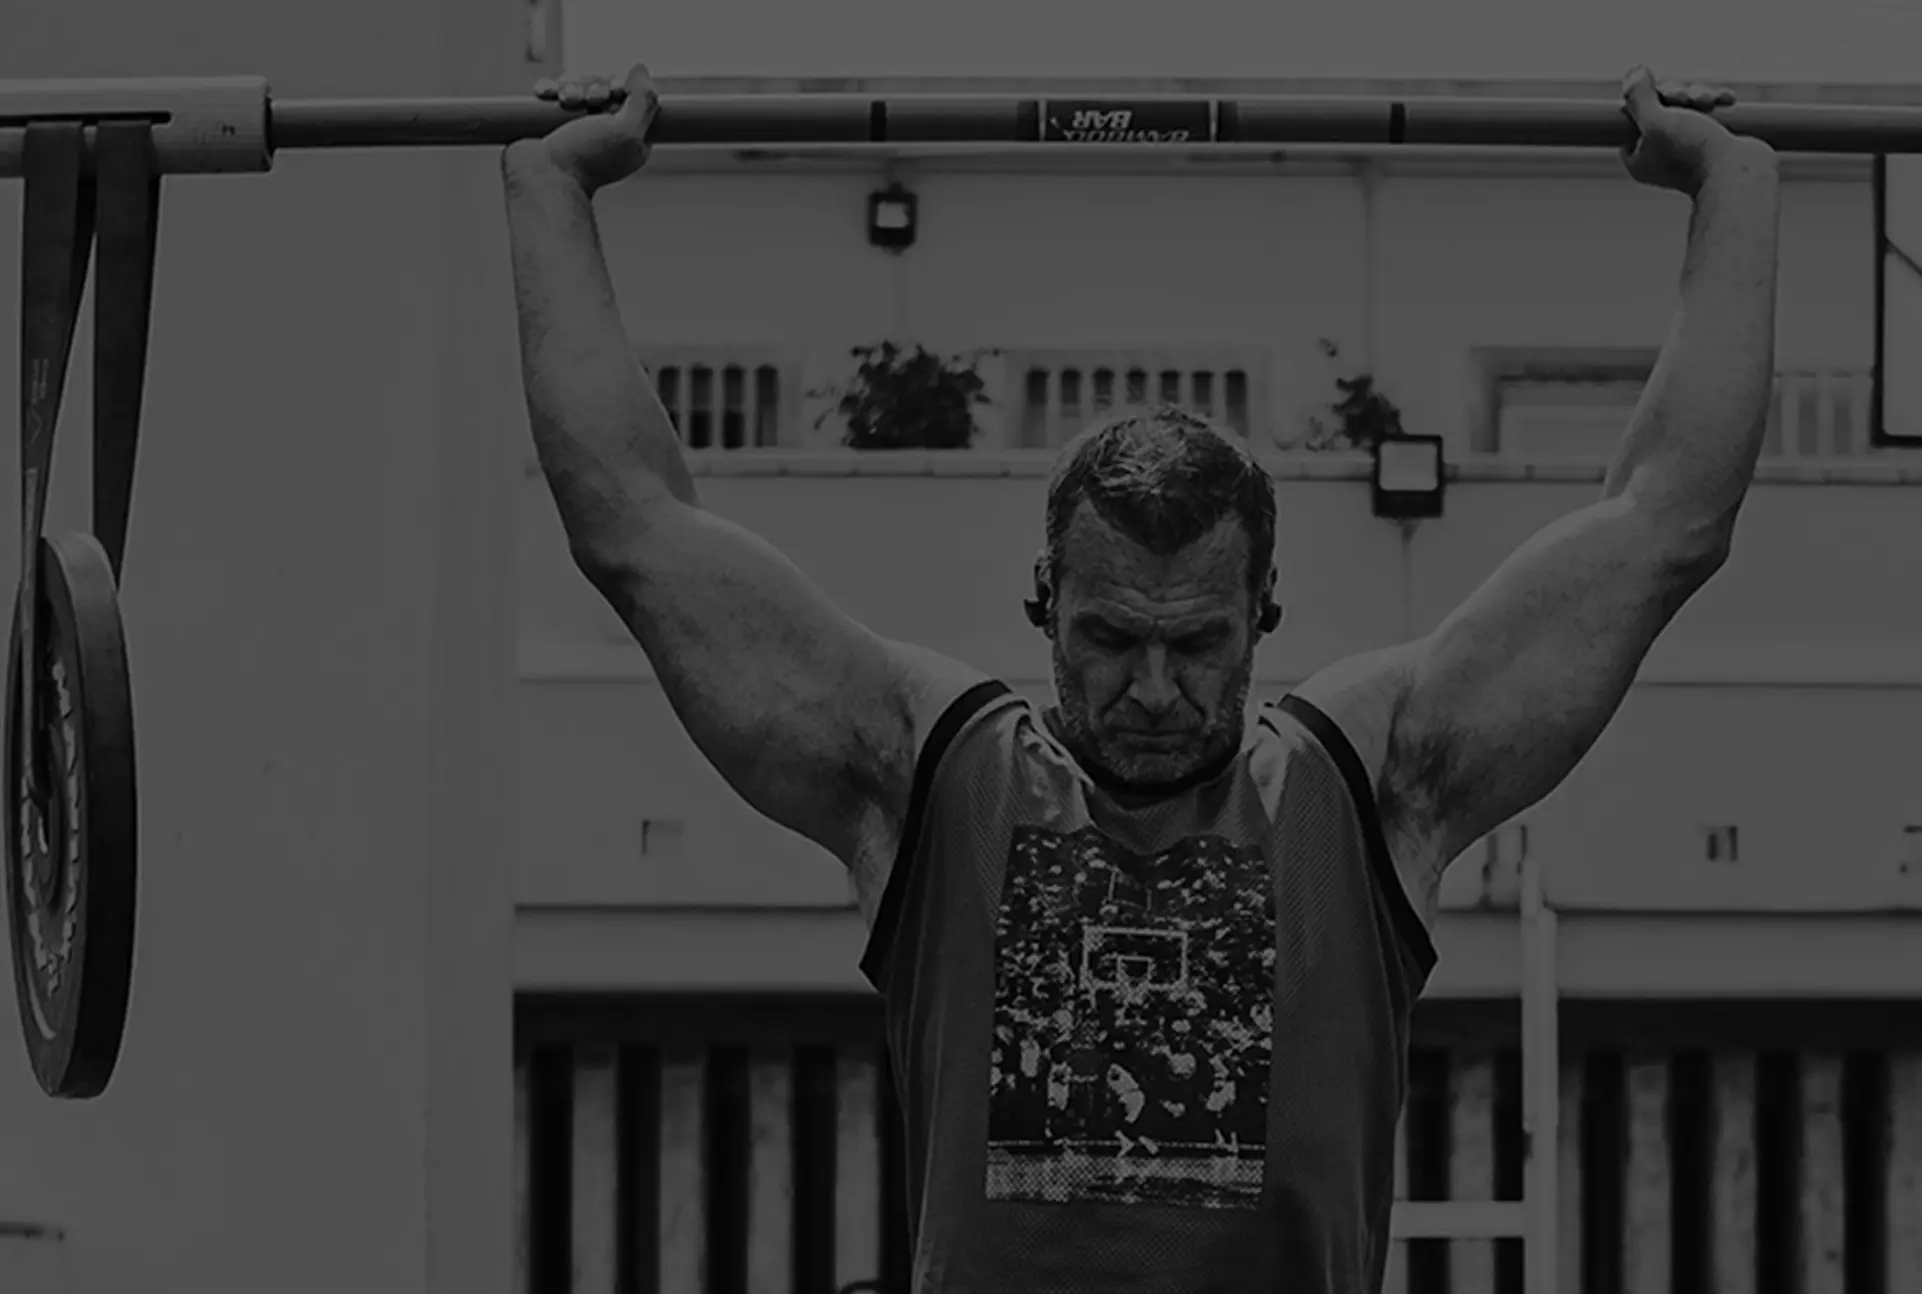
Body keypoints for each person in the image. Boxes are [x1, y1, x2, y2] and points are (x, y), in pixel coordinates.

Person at [503, 62, 1778, 1294]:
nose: (1155, 689)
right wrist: (553, 189)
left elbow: (1661, 527)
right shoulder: (930, 775)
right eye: (1110, 641)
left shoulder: (1365, 781)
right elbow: (632, 528)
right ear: (1042, 607)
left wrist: (1731, 187)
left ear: (1262, 615)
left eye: (1197, 644)